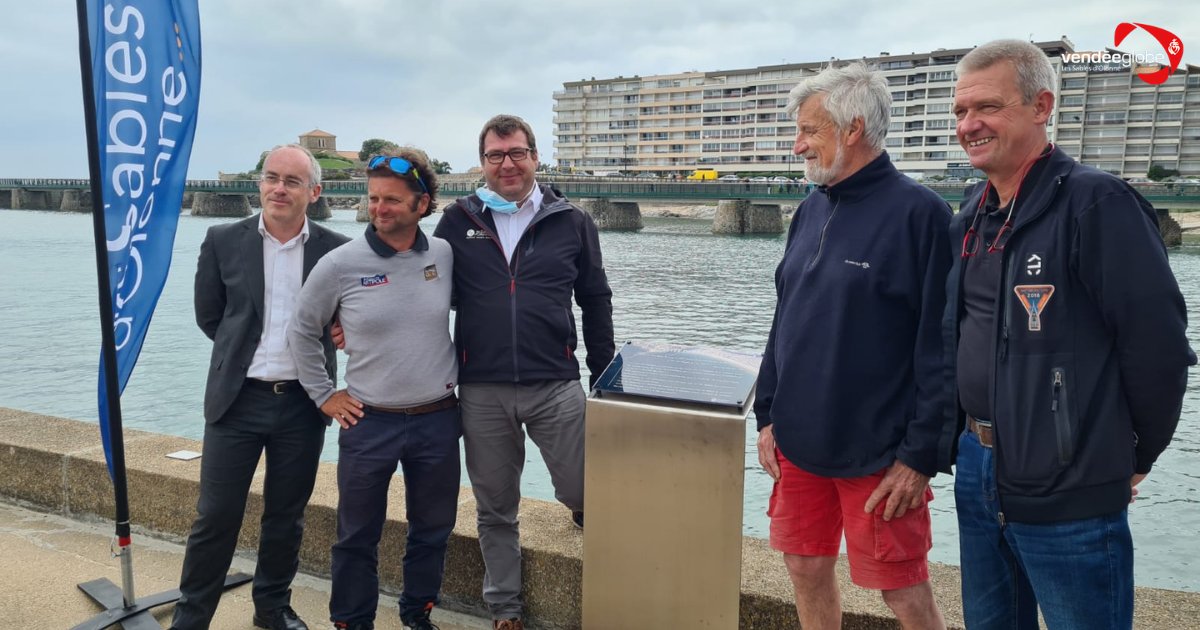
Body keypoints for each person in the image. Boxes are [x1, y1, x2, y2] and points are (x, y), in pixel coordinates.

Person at [942, 39, 1195, 629]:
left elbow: (1157, 345)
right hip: (978, 470)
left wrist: (1135, 455)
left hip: (1071, 483)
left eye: (987, 108)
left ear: (1040, 106)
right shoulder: (971, 216)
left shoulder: (1095, 203)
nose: (970, 125)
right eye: (960, 112)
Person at [754, 62, 950, 630]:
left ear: (853, 129)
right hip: (799, 443)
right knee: (803, 565)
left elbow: (942, 346)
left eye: (809, 131)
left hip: (880, 451)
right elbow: (784, 318)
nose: (798, 146)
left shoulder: (922, 215)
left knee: (902, 589)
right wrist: (768, 415)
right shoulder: (812, 207)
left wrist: (919, 456)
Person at [433, 114, 614, 630]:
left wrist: (604, 378)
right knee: (495, 507)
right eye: (495, 155)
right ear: (483, 162)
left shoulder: (571, 219)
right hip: (482, 389)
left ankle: (593, 541)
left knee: (585, 490)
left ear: (535, 157)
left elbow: (595, 300)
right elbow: (425, 296)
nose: (507, 164)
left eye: (516, 153)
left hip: (555, 384)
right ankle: (504, 608)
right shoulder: (456, 221)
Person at [173, 144, 349, 630]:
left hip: (302, 403)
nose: (278, 188)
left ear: (313, 192)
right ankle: (192, 617)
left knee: (286, 517)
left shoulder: (335, 250)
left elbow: (345, 319)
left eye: (292, 181)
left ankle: (271, 608)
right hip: (237, 401)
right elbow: (211, 317)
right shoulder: (222, 239)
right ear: (259, 184)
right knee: (215, 517)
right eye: (271, 177)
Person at [289, 148, 458, 630]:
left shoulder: (443, 254)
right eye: (374, 198)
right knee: (356, 534)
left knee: (433, 530)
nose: (379, 208)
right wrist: (324, 395)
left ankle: (417, 613)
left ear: (421, 204)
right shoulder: (341, 262)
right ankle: (351, 621)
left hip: (438, 418)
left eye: (392, 200)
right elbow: (303, 329)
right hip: (369, 421)